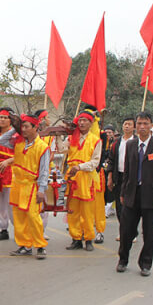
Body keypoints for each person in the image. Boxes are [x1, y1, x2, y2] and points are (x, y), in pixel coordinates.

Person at [116, 112, 153, 276]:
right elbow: (127, 171)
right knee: (126, 231)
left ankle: (146, 263)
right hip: (132, 193)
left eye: (145, 123)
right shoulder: (131, 144)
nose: (142, 127)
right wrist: (123, 192)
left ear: (151, 125)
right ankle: (123, 260)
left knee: (149, 232)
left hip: (151, 195)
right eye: (139, 123)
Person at [0, 113, 50, 259]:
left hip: (32, 185)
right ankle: (24, 245)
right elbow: (2, 140)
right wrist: (15, 128)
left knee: (33, 217)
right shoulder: (18, 142)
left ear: (35, 127)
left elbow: (44, 171)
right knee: (18, 216)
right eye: (22, 127)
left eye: (26, 126)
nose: (24, 129)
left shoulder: (42, 147)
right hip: (17, 184)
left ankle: (40, 246)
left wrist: (41, 189)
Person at [64, 108, 101, 252]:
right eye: (80, 120)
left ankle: (89, 238)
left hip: (86, 178)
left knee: (87, 211)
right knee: (73, 210)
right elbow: (60, 149)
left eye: (85, 120)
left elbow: (95, 162)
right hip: (72, 178)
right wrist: (58, 135)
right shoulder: (71, 138)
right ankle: (76, 238)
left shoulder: (95, 140)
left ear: (91, 123)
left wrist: (79, 167)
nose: (82, 123)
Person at [106, 117, 136, 238]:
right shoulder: (117, 143)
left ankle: (132, 232)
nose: (127, 126)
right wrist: (110, 177)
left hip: (132, 178)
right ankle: (123, 231)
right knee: (119, 206)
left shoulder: (137, 141)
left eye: (129, 124)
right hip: (119, 177)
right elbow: (111, 161)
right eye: (125, 124)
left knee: (131, 206)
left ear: (134, 127)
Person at [0, 107, 16, 242]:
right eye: (1, 117)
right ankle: (3, 229)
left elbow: (21, 154)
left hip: (11, 171)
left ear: (10, 120)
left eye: (5, 117)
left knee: (11, 202)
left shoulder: (15, 135)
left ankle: (18, 229)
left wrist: (8, 161)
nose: (2, 120)